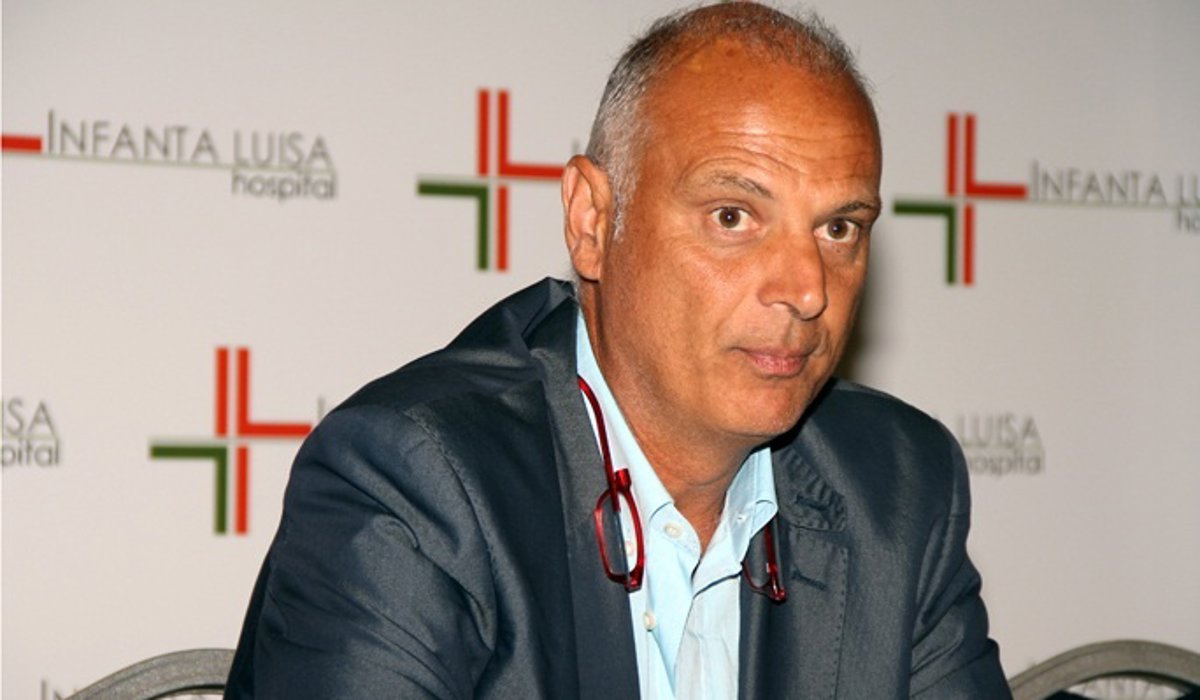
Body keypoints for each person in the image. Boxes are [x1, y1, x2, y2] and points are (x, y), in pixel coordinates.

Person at [226, 3, 1010, 698]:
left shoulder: (896, 489)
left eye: (839, 228)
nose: (807, 289)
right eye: (733, 216)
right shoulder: (416, 483)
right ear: (593, 222)